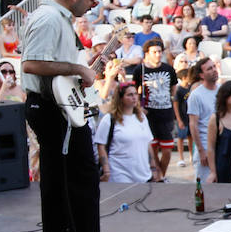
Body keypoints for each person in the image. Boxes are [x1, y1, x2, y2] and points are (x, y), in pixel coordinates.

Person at [21, 0, 130, 232]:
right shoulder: (49, 20)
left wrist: (84, 69)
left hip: (53, 106)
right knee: (82, 181)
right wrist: (77, 70)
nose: (95, 5)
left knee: (57, 183)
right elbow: (30, 64)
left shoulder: (55, 19)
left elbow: (57, 66)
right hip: (54, 110)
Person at [94, 81, 158, 183]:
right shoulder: (109, 119)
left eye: (135, 94)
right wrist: (106, 170)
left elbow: (148, 144)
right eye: (129, 95)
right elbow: (101, 146)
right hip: (119, 174)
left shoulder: (141, 117)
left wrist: (153, 167)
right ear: (121, 98)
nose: (134, 97)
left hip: (142, 174)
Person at [133, 41, 179, 179]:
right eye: (154, 52)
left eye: (160, 51)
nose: (158, 54)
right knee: (152, 149)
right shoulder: (139, 70)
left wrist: (169, 100)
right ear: (147, 53)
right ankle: (157, 177)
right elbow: (134, 91)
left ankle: (161, 175)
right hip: (149, 114)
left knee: (167, 150)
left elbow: (174, 88)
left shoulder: (168, 69)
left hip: (166, 113)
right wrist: (139, 107)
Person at [186, 58, 220, 182]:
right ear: (201, 75)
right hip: (205, 145)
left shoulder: (222, 90)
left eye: (214, 67)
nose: (214, 70)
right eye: (209, 69)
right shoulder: (196, 95)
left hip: (221, 145)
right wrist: (201, 150)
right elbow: (193, 124)